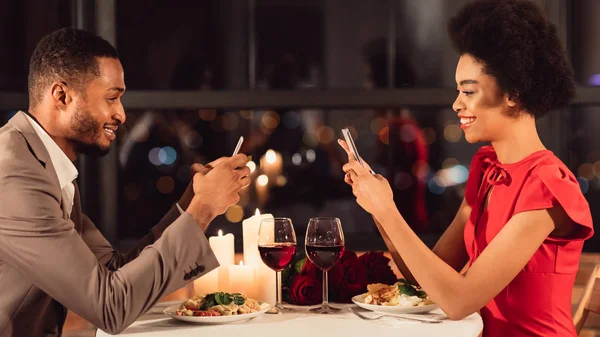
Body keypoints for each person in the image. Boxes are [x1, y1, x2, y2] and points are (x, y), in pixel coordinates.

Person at [339, 1, 594, 336]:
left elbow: (458, 301)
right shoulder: (487, 168)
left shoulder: (547, 185)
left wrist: (387, 211)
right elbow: (430, 277)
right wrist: (376, 206)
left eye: (469, 91)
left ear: (513, 92)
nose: (457, 104)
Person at [0, 28, 251, 336]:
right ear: (62, 96)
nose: (121, 114)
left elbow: (114, 271)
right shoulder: (14, 176)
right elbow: (110, 306)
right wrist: (204, 209)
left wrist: (190, 202)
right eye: (112, 98)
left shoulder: (41, 163)